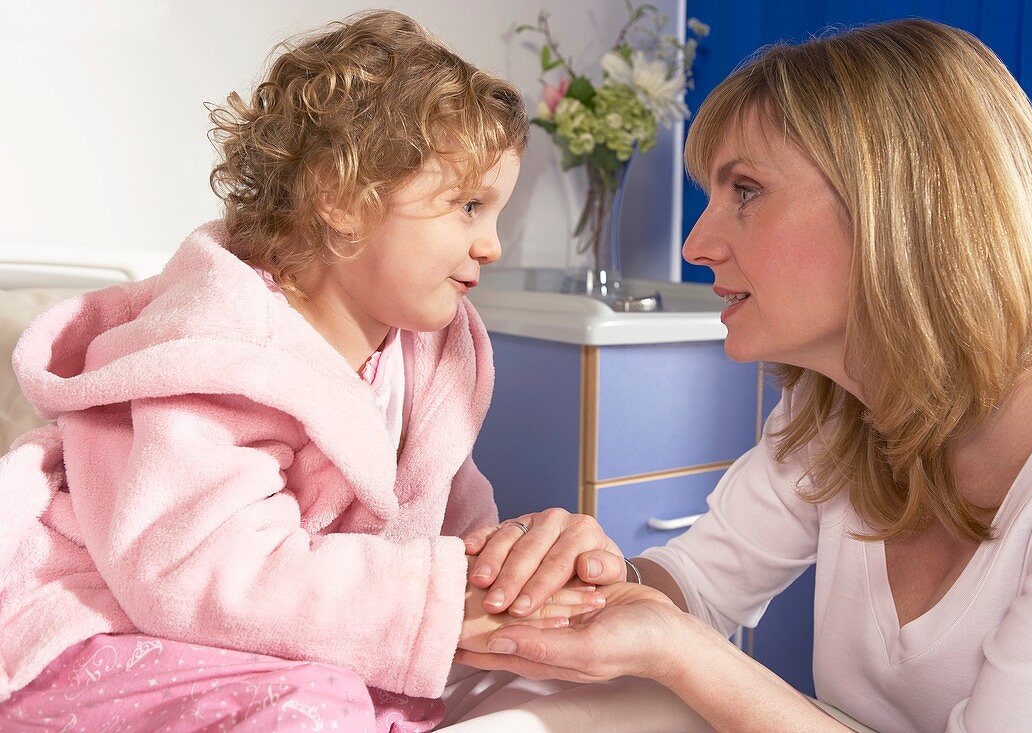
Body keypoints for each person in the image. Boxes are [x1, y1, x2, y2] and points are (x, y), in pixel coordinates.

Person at [454, 18, 1032, 733]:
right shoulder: (835, 410)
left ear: (902, 205)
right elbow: (696, 583)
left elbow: (684, 637)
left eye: (748, 191)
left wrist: (682, 652)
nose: (697, 245)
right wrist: (601, 578)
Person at [0, 10, 605, 732]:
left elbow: (447, 515)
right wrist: (429, 602)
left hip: (269, 625)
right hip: (102, 611)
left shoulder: (431, 357)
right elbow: (201, 568)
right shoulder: (223, 351)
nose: (492, 245)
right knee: (311, 712)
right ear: (342, 199)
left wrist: (504, 578)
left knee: (554, 687)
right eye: (468, 206)